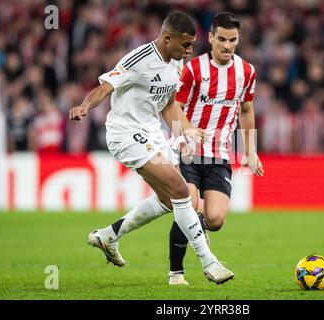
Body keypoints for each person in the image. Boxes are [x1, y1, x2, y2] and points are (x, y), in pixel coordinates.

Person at [69, 12, 234, 284]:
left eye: (191, 45)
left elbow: (168, 105)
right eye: (185, 45)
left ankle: (108, 236)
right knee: (181, 190)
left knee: (170, 201)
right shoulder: (139, 59)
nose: (189, 50)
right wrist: (84, 106)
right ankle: (209, 262)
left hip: (152, 133)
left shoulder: (177, 62)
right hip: (125, 133)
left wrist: (185, 130)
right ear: (167, 38)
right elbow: (105, 87)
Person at [167, 12, 264, 285]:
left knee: (216, 219)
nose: (227, 45)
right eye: (221, 38)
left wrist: (250, 150)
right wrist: (185, 134)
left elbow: (246, 109)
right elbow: (176, 106)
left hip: (220, 153)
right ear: (210, 38)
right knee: (187, 204)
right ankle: (176, 273)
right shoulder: (193, 69)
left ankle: (198, 225)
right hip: (189, 151)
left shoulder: (247, 72)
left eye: (232, 40)